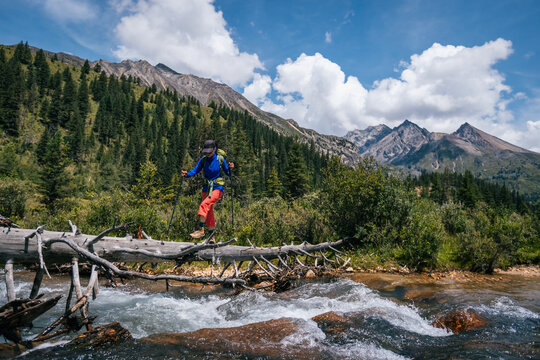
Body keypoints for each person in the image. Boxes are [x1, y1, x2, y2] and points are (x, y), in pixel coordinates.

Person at [181, 140, 234, 239]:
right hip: (206, 189)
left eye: (209, 152)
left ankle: (201, 229)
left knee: (204, 205)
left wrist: (230, 169)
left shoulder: (220, 159)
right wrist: (186, 174)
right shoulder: (203, 160)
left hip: (217, 188)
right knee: (208, 211)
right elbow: (195, 170)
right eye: (206, 152)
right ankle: (211, 237)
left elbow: (228, 174)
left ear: (214, 149)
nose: (208, 154)